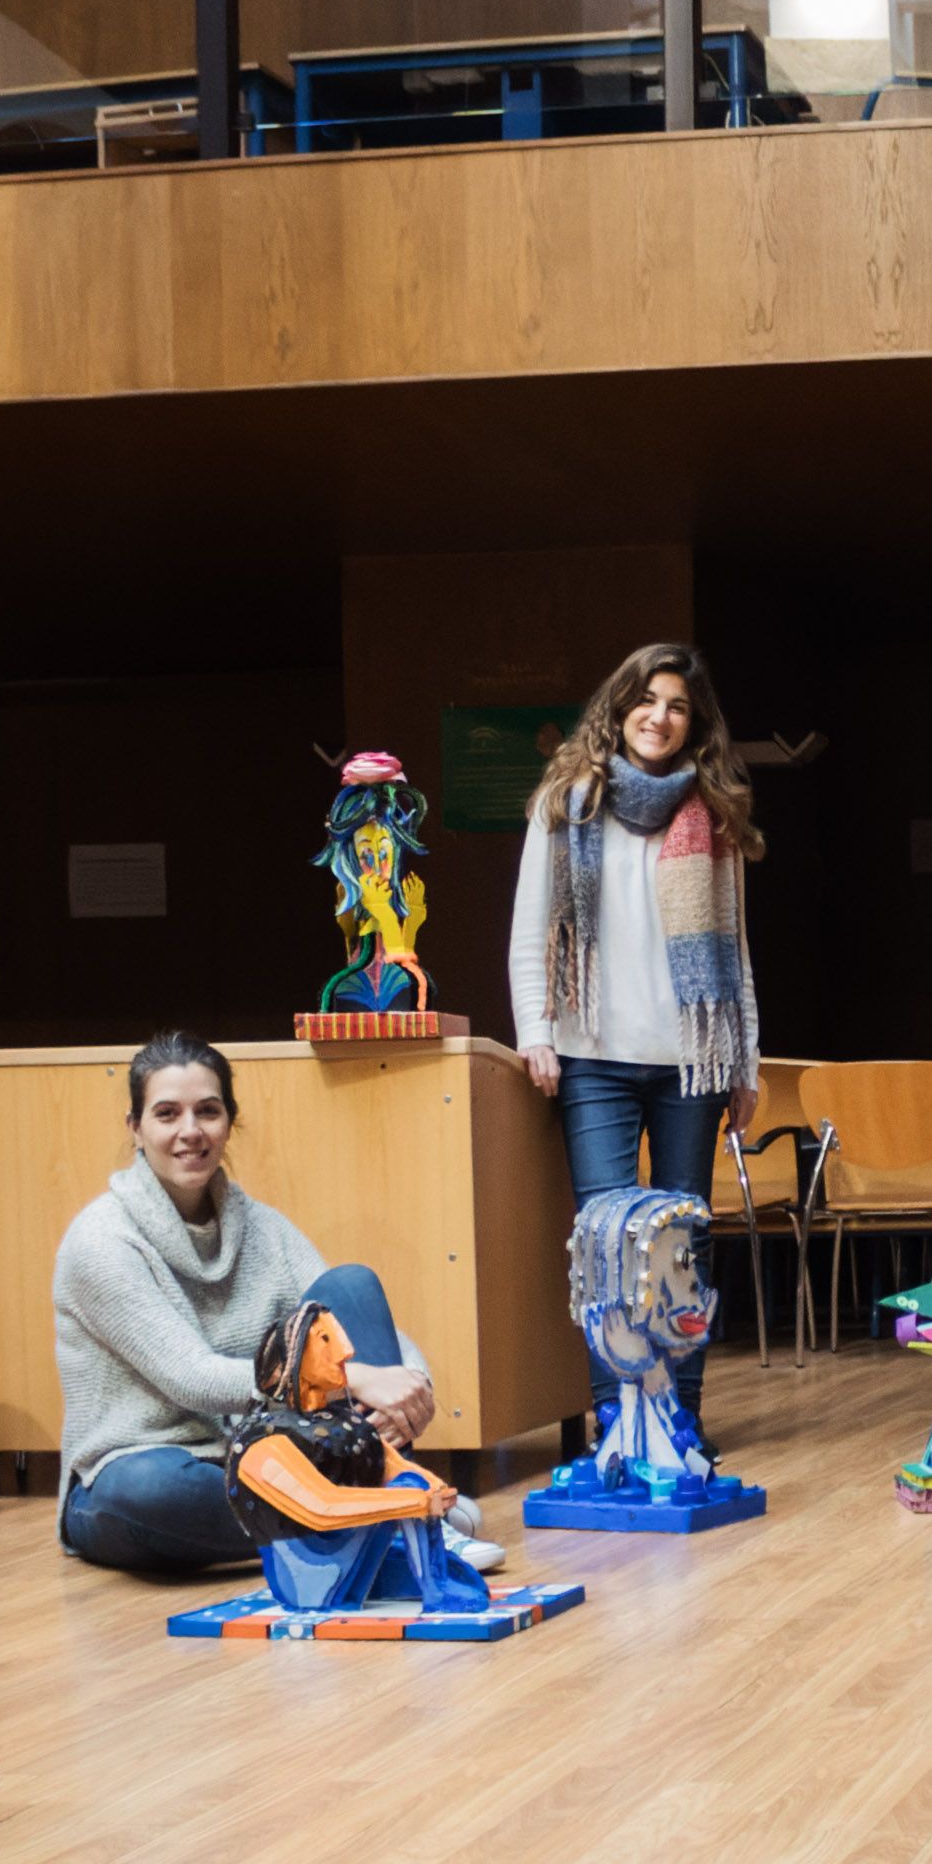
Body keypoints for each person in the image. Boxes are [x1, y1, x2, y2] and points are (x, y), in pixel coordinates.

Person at [56, 1033, 502, 1576]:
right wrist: (356, 1381)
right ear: (136, 1127)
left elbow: (343, 1325)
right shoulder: (100, 1240)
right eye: (167, 1113)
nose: (190, 1131)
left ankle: (377, 1510)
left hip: (266, 1457)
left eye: (208, 1111)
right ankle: (394, 1517)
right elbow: (191, 1378)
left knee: (351, 1285)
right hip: (135, 1474)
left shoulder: (262, 1227)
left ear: (229, 1122)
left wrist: (412, 1382)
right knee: (153, 1492)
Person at [507, 642, 762, 1440]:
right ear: (618, 710)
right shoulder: (567, 805)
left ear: (696, 724)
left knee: (682, 1243)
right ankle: (620, 1418)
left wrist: (744, 1060)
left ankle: (680, 1420)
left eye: (678, 705)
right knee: (607, 1241)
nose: (660, 716)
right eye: (646, 701)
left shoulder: (712, 818)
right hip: (594, 1059)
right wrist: (536, 1031)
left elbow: (737, 953)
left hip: (693, 1063)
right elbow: (528, 933)